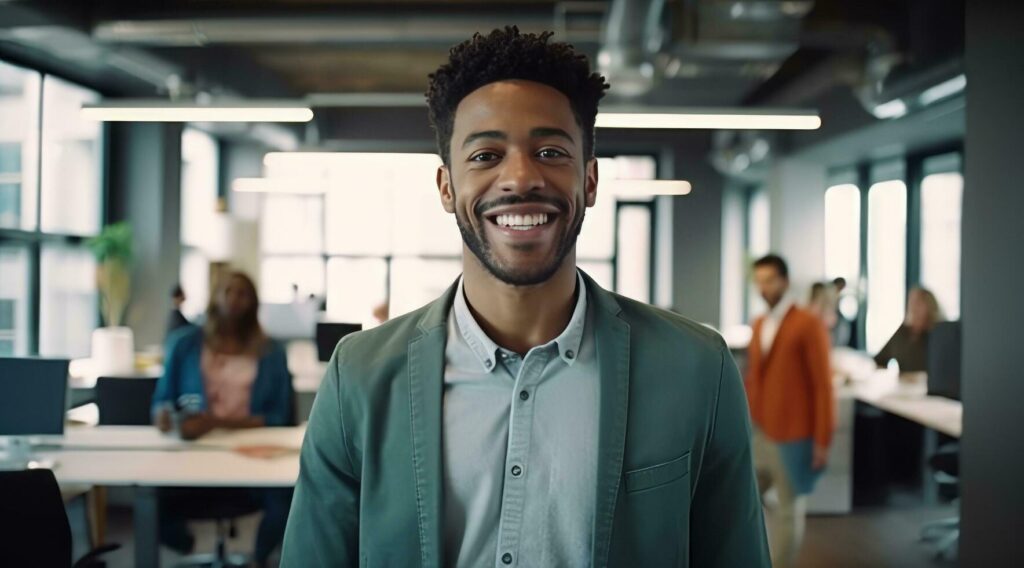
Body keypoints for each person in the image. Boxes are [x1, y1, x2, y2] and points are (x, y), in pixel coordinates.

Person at [281, 27, 769, 567]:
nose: (519, 177)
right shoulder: (360, 375)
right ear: (447, 187)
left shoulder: (696, 367)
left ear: (589, 180)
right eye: (486, 155)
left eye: (550, 151)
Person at [152, 271, 293, 565]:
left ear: (253, 303)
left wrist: (216, 423)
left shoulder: (271, 351)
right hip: (193, 451)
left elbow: (281, 416)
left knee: (288, 497)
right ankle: (184, 543)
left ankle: (258, 558)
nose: (234, 299)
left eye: (243, 293)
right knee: (149, 495)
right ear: (215, 297)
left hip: (252, 454)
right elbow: (161, 401)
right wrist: (166, 416)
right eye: (227, 291)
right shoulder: (184, 344)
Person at [746, 254, 834, 568]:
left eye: (769, 280)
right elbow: (755, 378)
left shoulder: (808, 324)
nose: (763, 287)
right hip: (759, 431)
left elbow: (823, 386)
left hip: (795, 434)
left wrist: (822, 440)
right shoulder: (759, 323)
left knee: (788, 511)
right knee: (742, 500)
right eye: (758, 281)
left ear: (784, 281)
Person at [873, 286, 944, 372]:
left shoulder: (939, 333)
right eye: (911, 303)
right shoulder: (903, 331)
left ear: (930, 306)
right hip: (905, 384)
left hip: (928, 384)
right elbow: (879, 360)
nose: (913, 308)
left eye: (918, 303)